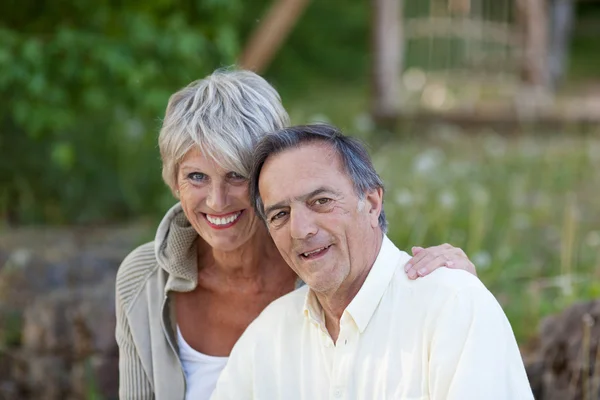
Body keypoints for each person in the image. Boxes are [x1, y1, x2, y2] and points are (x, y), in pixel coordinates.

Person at [115, 69, 478, 400]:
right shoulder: (144, 279)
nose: (217, 200)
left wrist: (454, 288)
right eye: (196, 177)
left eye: (236, 175)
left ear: (268, 179)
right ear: (173, 180)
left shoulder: (328, 260)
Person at [211, 124, 534, 400]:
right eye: (280, 214)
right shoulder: (269, 334)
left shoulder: (453, 306)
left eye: (321, 201)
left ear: (372, 202)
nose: (301, 230)